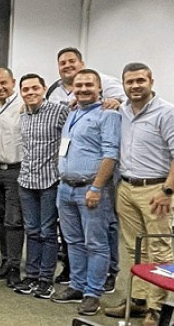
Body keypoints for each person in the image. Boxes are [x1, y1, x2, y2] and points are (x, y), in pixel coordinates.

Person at [104, 63, 174, 326]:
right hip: (127, 187)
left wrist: (168, 190)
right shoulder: (123, 111)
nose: (135, 86)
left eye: (140, 80)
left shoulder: (168, 112)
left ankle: (157, 308)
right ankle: (139, 302)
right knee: (134, 248)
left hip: (157, 189)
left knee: (159, 249)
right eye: (129, 82)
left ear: (151, 81)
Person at [46, 47, 124, 287]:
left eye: (88, 85)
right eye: (78, 86)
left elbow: (110, 154)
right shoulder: (73, 112)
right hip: (66, 188)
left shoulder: (108, 114)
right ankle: (77, 285)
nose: (82, 89)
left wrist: (97, 188)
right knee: (73, 242)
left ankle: (94, 291)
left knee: (96, 243)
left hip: (90, 188)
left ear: (100, 88)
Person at [12, 74, 68, 299]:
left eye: (35, 88)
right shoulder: (23, 113)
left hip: (50, 181)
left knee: (47, 232)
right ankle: (32, 276)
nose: (30, 92)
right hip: (26, 181)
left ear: (44, 89)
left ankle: (46, 279)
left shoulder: (60, 111)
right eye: (25, 89)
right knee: (32, 231)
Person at [0, 68, 25, 284]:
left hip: (15, 170)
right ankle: (5, 260)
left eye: (4, 83)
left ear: (13, 82)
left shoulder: (22, 105)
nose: (0, 88)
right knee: (0, 219)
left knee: (13, 221)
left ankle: (14, 267)